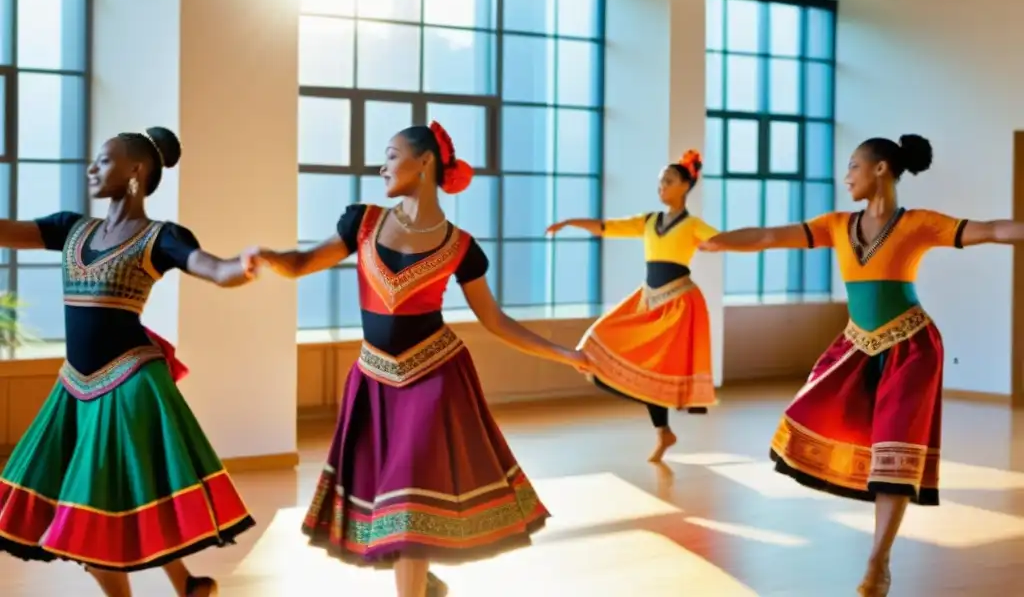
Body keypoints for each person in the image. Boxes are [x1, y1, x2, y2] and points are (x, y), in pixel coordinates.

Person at [247, 121, 590, 597]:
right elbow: (304, 262)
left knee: (409, 500)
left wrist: (564, 353)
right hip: (373, 380)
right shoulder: (361, 223)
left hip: (435, 378)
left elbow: (495, 320)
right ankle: (423, 583)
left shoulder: (462, 247)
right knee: (390, 502)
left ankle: (415, 583)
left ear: (425, 162)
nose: (381, 165)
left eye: (391, 154)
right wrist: (268, 257)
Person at [698, 133, 1024, 597]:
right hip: (856, 347)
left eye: (853, 165)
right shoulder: (835, 225)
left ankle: (878, 562)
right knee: (822, 420)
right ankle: (878, 557)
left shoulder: (920, 223)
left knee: (894, 452)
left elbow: (992, 230)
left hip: (911, 349)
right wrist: (718, 243)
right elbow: (771, 236)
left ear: (881, 169)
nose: (846, 175)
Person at [0, 127, 257, 597]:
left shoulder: (161, 237)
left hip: (130, 383)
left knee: (91, 509)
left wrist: (245, 266)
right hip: (76, 389)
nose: (91, 168)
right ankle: (191, 585)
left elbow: (215, 269)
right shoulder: (72, 228)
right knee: (124, 501)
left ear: (136, 171)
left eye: (103, 160)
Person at [546, 150, 718, 463]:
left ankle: (662, 430)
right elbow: (606, 226)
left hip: (678, 303)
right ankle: (664, 431)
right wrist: (570, 222)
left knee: (658, 366)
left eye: (668, 181)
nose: (661, 187)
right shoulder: (649, 221)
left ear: (685, 186)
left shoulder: (693, 225)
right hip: (648, 299)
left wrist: (758, 240)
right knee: (596, 346)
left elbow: (720, 241)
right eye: (659, 182)